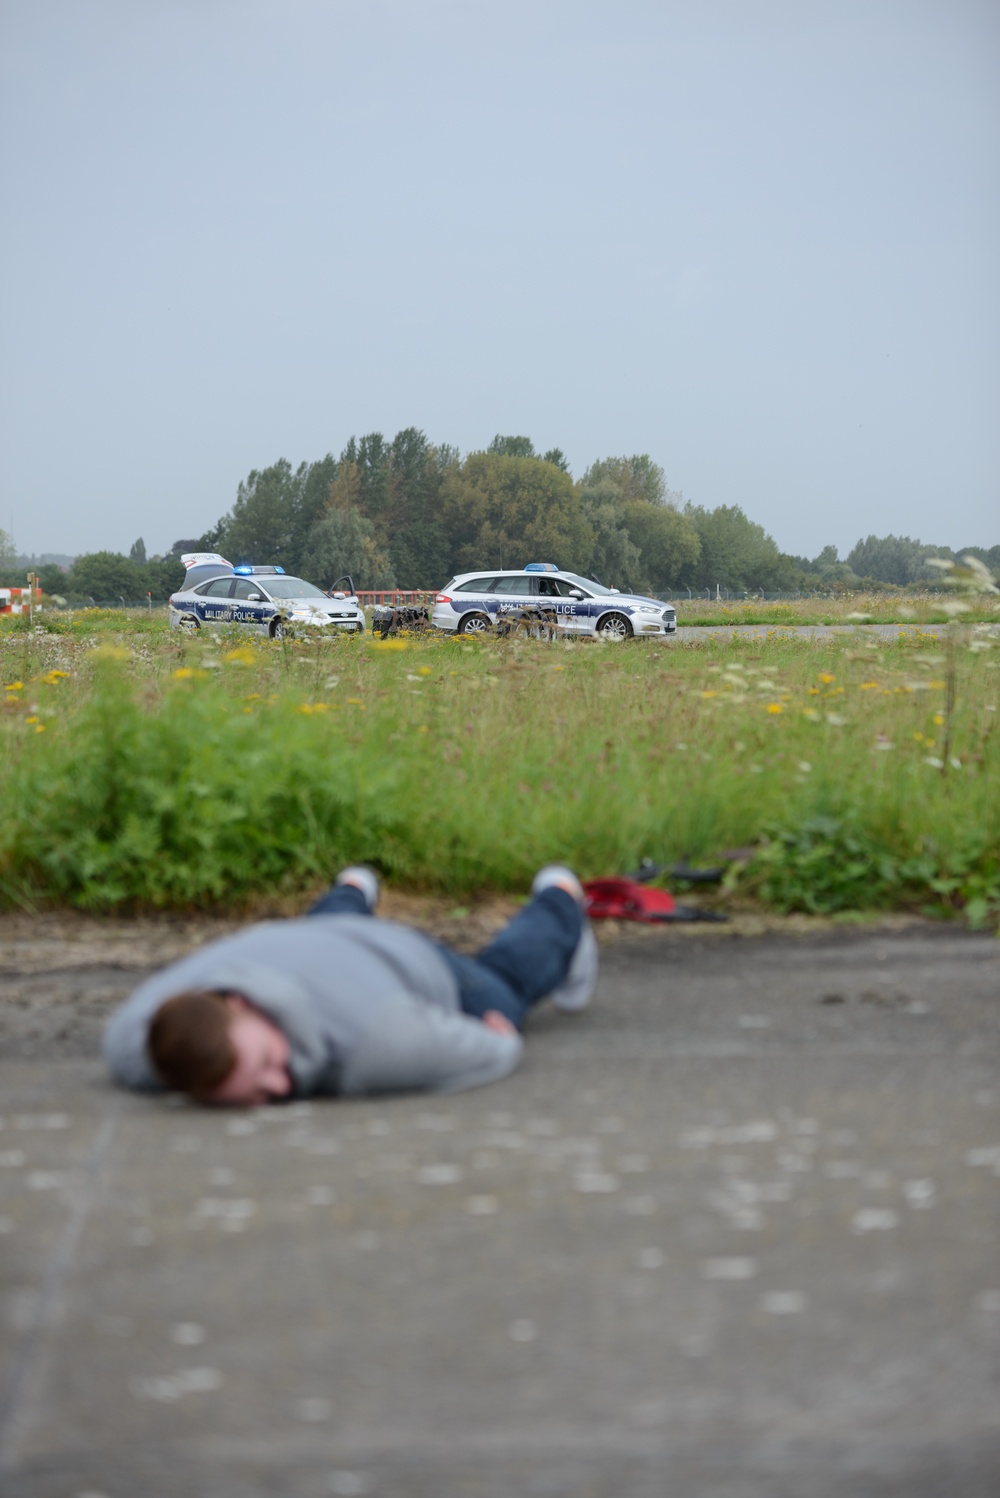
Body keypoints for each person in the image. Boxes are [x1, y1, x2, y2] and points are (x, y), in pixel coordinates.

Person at [103, 866, 598, 1106]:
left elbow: (493, 1051)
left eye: (268, 1063)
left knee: (504, 986)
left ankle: (558, 900)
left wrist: (498, 1039)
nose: (280, 1086)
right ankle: (351, 889)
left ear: (240, 1005)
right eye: (254, 1093)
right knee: (329, 928)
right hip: (310, 941)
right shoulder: (138, 1042)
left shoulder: (378, 1044)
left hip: (409, 960)